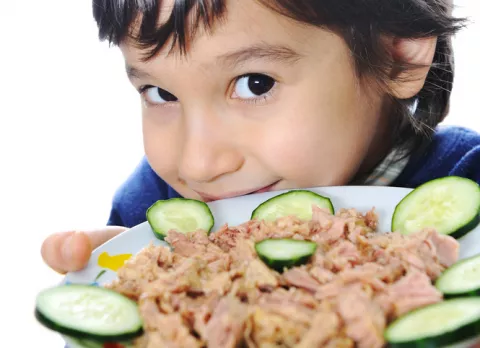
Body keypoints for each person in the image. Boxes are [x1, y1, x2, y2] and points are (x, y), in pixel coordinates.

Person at [41, 0, 480, 274]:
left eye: (255, 84)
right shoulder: (149, 208)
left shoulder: (470, 180)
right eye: (161, 93)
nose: (199, 164)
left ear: (398, 54)